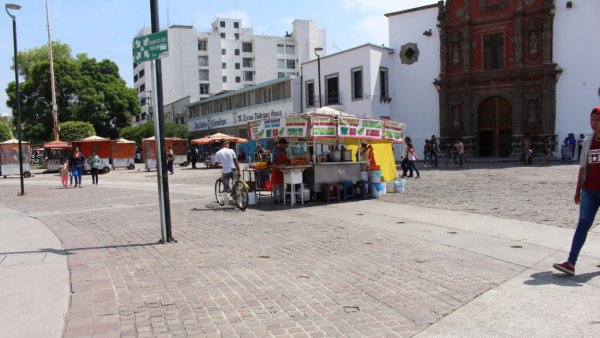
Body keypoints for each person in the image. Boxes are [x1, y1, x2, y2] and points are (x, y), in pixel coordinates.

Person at [553, 106, 600, 276]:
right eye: (591, 120)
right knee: (582, 225)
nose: (593, 123)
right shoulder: (588, 142)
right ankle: (571, 263)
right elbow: (582, 168)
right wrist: (577, 189)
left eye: (597, 120)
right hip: (589, 191)